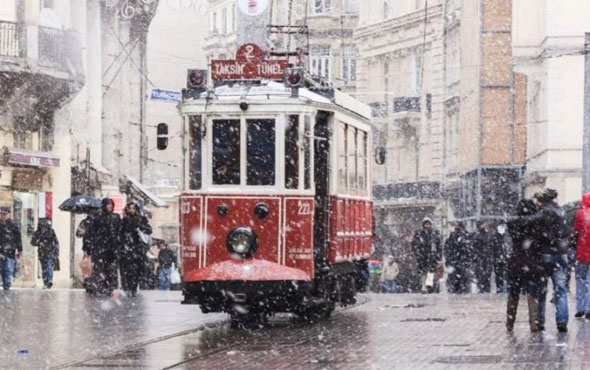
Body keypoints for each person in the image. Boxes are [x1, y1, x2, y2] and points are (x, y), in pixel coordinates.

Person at [519, 188, 569, 332]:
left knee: (541, 289)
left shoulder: (544, 212)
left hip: (546, 253)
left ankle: (540, 321)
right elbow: (567, 232)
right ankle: (562, 321)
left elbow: (528, 222)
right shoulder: (561, 211)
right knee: (561, 289)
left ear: (543, 201)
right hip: (561, 253)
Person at [506, 199, 544, 332]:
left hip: (516, 262)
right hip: (532, 262)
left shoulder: (513, 224)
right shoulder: (537, 224)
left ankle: (510, 323)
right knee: (532, 293)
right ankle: (534, 324)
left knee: (514, 292)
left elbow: (511, 226)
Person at [84, 198, 122, 296]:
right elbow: (90, 233)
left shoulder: (116, 217)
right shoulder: (97, 218)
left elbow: (119, 232)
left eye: (111, 205)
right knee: (99, 270)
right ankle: (100, 288)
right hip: (99, 249)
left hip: (112, 249)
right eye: (108, 205)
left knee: (111, 270)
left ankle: (110, 288)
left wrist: (119, 245)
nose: (110, 207)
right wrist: (87, 248)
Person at [119, 202, 152, 296]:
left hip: (138, 250)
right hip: (126, 250)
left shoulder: (141, 219)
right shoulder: (124, 220)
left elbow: (149, 230)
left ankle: (133, 288)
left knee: (137, 270)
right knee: (126, 270)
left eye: (133, 208)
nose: (132, 210)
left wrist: (140, 227)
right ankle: (127, 287)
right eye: (130, 208)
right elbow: (120, 234)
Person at [411, 217, 442, 294]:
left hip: (432, 255)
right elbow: (414, 244)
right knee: (423, 272)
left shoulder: (435, 234)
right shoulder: (419, 233)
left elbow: (439, 246)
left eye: (429, 224)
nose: (427, 225)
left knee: (431, 271)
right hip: (422, 256)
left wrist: (438, 255)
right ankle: (423, 287)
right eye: (426, 224)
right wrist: (417, 253)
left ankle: (428, 285)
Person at [573, 193, 590, 319]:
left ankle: (580, 308)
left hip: (582, 251)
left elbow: (575, 231)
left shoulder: (580, 213)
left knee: (580, 279)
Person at [444, 222, 473, 294]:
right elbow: (447, 250)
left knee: (463, 280)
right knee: (454, 280)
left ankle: (461, 290)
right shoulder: (451, 238)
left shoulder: (466, 237)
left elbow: (469, 250)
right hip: (455, 263)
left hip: (462, 263)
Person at [31, 218, 59, 289]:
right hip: (42, 253)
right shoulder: (37, 233)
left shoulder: (51, 232)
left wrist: (56, 252)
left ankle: (49, 280)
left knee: (49, 266)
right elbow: (32, 242)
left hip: (50, 252)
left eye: (44, 226)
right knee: (44, 268)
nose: (43, 228)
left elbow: (56, 242)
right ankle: (45, 281)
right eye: (41, 226)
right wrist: (38, 243)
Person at [0, 207, 22, 291]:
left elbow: (18, 238)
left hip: (10, 251)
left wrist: (20, 250)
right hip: (1, 250)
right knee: (2, 269)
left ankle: (7, 284)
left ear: (9, 214)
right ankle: (5, 283)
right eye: (2, 214)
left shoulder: (13, 226)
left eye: (4, 214)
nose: (3, 216)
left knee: (8, 268)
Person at [472, 221, 493, 293]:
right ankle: (482, 289)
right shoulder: (477, 235)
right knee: (481, 276)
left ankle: (485, 289)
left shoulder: (487, 235)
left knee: (486, 276)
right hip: (481, 258)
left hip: (485, 258)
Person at [491, 223, 510, 293]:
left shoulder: (507, 236)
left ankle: (506, 287)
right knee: (499, 273)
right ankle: (500, 287)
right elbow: (493, 248)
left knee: (506, 273)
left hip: (505, 258)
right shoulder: (495, 237)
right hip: (498, 258)